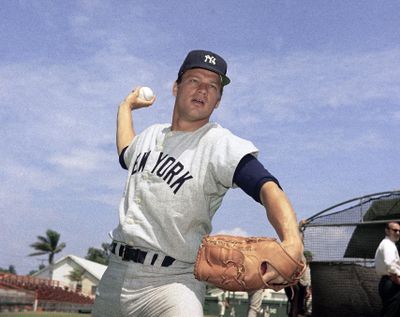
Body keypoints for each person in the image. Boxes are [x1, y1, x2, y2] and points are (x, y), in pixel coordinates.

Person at [92, 49, 303, 317]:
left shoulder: (219, 143)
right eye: (194, 80)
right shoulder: (149, 135)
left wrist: (292, 240)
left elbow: (267, 187)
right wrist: (125, 108)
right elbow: (125, 152)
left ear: (217, 101)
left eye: (212, 86)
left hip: (172, 283)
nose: (203, 90)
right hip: (115, 275)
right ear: (176, 87)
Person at [374, 221, 400, 317]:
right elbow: (390, 265)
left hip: (389, 282)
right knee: (391, 312)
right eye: (395, 230)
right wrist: (397, 280)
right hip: (392, 282)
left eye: (399, 231)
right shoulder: (388, 244)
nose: (397, 233)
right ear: (387, 231)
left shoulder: (389, 244)